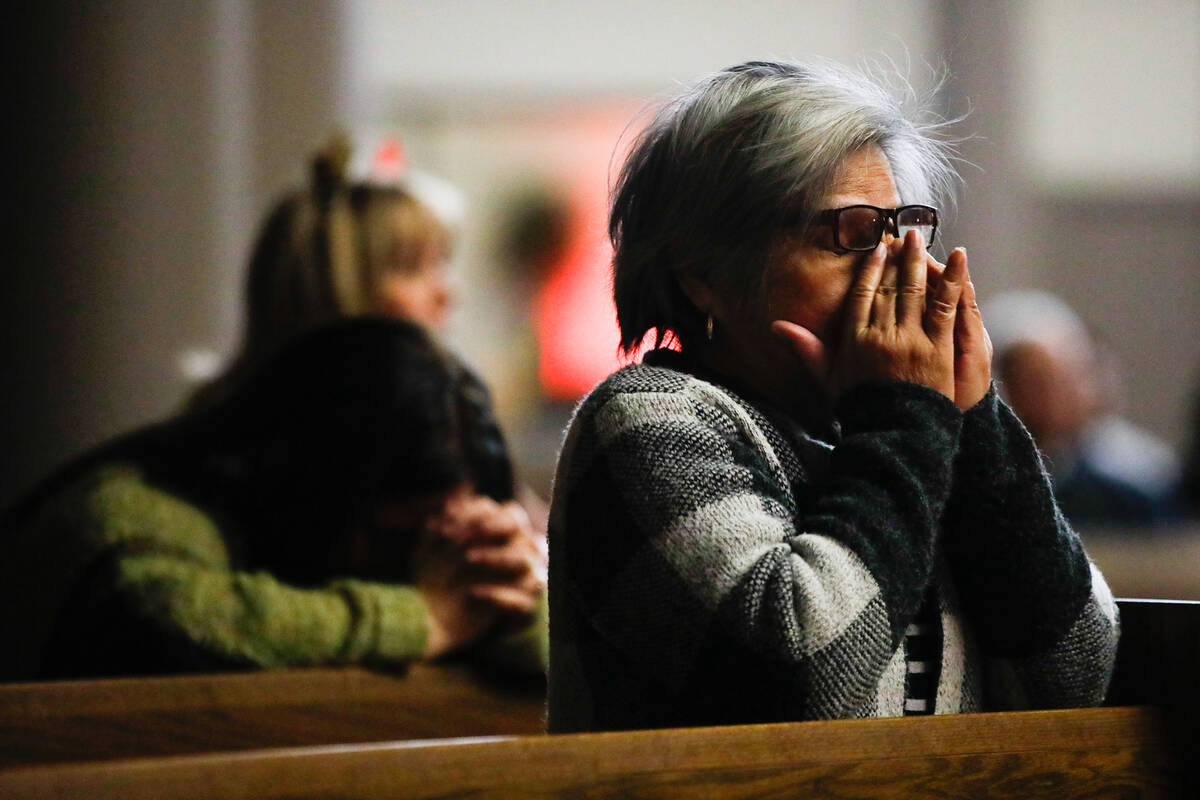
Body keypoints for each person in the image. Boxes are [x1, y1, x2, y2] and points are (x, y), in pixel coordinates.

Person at [547, 60, 1119, 732]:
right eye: (848, 235)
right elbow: (803, 680)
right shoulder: (648, 420)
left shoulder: (893, 430)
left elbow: (1075, 675)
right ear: (703, 272)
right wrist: (905, 421)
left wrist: (973, 421)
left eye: (899, 231)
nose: (898, 276)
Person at [0, 317, 546, 680]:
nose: (429, 562)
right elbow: (167, 622)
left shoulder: (437, 546)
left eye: (445, 537)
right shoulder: (132, 514)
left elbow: (561, 668)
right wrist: (425, 619)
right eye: (399, 538)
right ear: (312, 481)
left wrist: (512, 584)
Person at [985, 290, 1182, 527]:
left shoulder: (1135, 486)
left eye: (1062, 381)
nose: (1052, 399)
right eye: (1034, 382)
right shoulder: (979, 482)